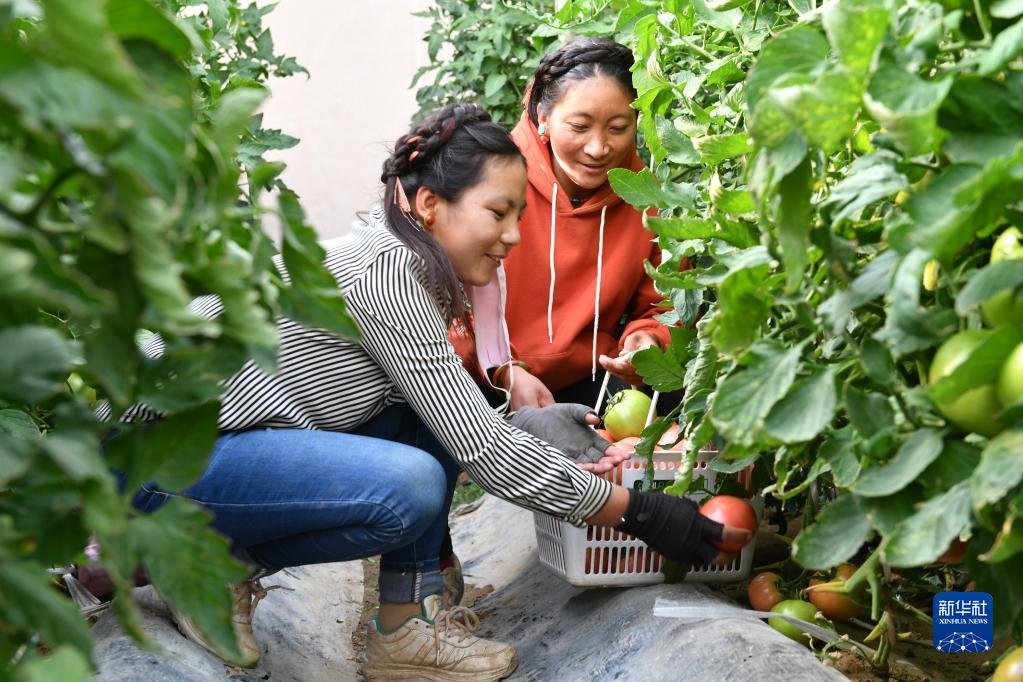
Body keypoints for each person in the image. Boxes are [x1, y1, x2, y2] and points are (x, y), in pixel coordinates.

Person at [116, 103, 747, 682]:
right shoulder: (385, 275)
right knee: (408, 485)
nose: (513, 236)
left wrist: (535, 429)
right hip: (144, 460)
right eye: (497, 213)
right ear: (428, 204)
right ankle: (206, 567)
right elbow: (482, 451)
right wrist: (641, 513)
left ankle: (404, 627)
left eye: (519, 217)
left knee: (419, 427)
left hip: (207, 449)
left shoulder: (407, 262)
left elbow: (452, 417)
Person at [498, 37, 680, 408]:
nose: (598, 148)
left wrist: (646, 339)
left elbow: (667, 305)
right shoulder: (492, 180)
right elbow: (447, 302)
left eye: (618, 128)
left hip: (593, 377)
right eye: (579, 126)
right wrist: (503, 371)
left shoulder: (646, 198)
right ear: (543, 116)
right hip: (485, 381)